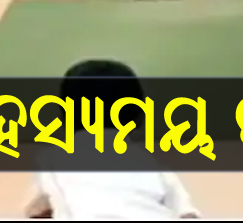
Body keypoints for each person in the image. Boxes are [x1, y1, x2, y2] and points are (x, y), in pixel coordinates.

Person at [24, 60, 200, 220]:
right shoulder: (154, 164)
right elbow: (187, 214)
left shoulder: (50, 159)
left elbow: (38, 211)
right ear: (140, 115)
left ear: (64, 115)